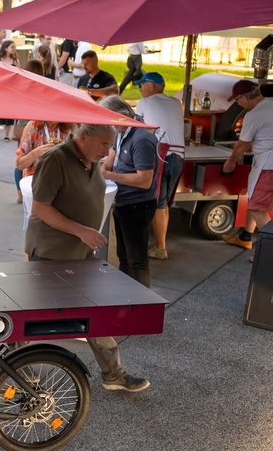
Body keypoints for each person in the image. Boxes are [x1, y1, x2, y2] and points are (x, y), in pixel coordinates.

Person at [25, 123, 150, 392]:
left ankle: (114, 374)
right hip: (50, 251)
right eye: (103, 144)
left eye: (110, 145)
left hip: (80, 253)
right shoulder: (55, 159)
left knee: (94, 310)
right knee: (33, 314)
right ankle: (14, 368)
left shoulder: (90, 159)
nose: (108, 151)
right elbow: (40, 208)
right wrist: (81, 230)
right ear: (82, 137)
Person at [100, 95, 158, 288]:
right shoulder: (121, 134)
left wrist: (111, 176)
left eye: (109, 119)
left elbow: (144, 180)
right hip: (123, 203)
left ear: (120, 116)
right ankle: (126, 299)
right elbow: (111, 159)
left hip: (137, 205)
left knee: (137, 261)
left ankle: (141, 305)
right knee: (124, 257)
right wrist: (103, 168)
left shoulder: (141, 139)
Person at [133, 72, 185, 261]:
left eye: (141, 86)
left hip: (161, 156)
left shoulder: (146, 102)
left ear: (152, 87)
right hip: (178, 157)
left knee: (156, 204)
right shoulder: (175, 103)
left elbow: (135, 126)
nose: (139, 89)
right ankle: (159, 244)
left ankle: (160, 248)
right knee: (163, 205)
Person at [222, 80, 273, 256]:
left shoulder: (255, 114)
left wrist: (231, 161)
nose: (238, 104)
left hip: (268, 166)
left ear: (243, 97)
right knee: (258, 204)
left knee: (257, 208)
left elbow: (241, 145)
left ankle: (269, 254)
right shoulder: (271, 105)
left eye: (237, 100)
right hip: (268, 161)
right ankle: (245, 237)